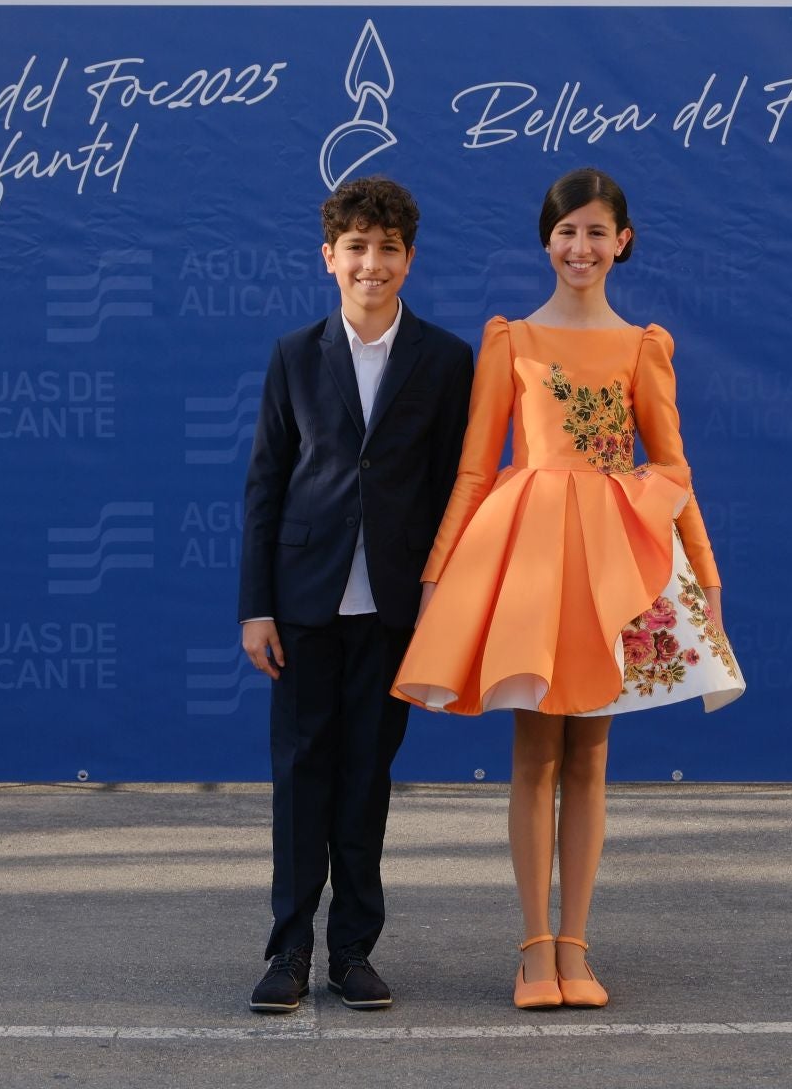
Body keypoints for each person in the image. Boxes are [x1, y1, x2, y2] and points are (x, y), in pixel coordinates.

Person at [393, 166, 745, 1010]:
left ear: (622, 241)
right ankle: (532, 950)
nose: (580, 247)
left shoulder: (642, 348)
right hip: (530, 559)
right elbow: (478, 469)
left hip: (611, 561)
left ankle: (577, 947)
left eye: (596, 231)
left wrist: (708, 576)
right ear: (545, 241)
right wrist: (438, 575)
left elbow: (673, 467)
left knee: (590, 755)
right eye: (566, 231)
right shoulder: (509, 341)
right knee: (532, 754)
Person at [238, 177, 474, 1013]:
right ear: (328, 258)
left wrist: (446, 604)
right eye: (356, 248)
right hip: (303, 604)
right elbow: (265, 485)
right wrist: (255, 606)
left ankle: (353, 951)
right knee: (300, 776)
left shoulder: (446, 360)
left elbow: (458, 488)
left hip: (396, 609)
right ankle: (289, 950)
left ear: (410, 259)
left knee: (367, 777)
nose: (371, 264)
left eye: (388, 248)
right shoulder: (295, 355)